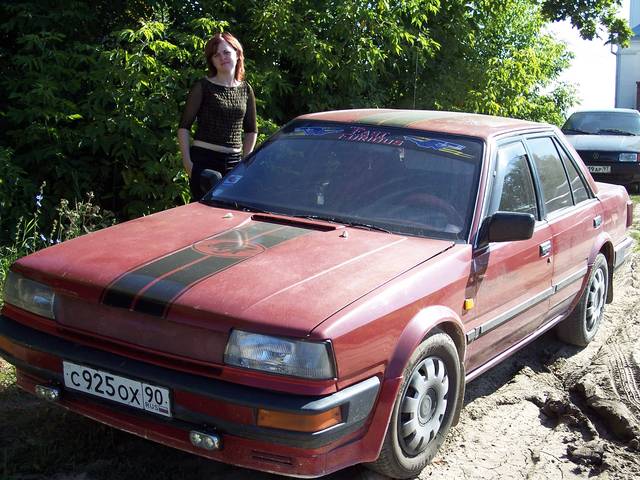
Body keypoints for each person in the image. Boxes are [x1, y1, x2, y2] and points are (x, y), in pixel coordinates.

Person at [178, 32, 257, 201]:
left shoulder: (245, 89)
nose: (222, 58)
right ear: (212, 61)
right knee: (210, 212)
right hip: (204, 162)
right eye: (216, 55)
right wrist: (188, 164)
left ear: (237, 53)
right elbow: (184, 127)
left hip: (234, 163)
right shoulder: (203, 87)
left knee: (231, 214)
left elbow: (251, 130)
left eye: (226, 52)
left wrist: (244, 163)